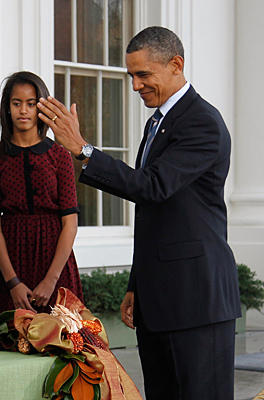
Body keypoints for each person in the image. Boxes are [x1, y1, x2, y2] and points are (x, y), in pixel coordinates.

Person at [38, 26, 241, 399]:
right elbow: (154, 212)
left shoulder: (201, 123)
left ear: (176, 65)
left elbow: (152, 186)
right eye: (131, 75)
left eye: (143, 74)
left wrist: (84, 150)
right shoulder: (156, 123)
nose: (134, 86)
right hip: (158, 300)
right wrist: (137, 284)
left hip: (197, 302)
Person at [0, 71, 83, 315]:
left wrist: (51, 280)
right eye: (17, 104)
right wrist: (12, 282)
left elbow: (70, 222)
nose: (23, 111)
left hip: (54, 260)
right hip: (10, 260)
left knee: (62, 341)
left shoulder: (60, 156)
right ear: (7, 108)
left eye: (31, 104)